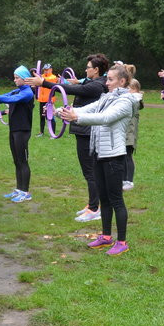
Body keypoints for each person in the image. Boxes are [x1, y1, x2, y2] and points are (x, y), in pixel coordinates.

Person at [60, 64, 134, 256]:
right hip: (99, 154)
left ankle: (122, 241)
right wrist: (61, 110)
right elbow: (86, 109)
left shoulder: (126, 101)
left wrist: (75, 117)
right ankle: (106, 237)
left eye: (110, 79)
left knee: (116, 200)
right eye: (107, 79)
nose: (106, 82)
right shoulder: (106, 98)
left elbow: (105, 118)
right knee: (104, 199)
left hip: (114, 157)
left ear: (122, 81)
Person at [26, 53, 109, 222]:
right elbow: (77, 105)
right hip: (83, 130)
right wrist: (55, 111)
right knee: (89, 171)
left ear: (96, 70)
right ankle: (92, 204)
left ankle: (95, 208)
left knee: (90, 171)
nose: (85, 70)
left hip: (88, 132)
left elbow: (71, 89)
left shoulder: (97, 85)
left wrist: (43, 83)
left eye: (88, 67)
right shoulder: (92, 83)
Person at [0, 66, 35, 202]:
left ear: (25, 79)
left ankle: (26, 192)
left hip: (22, 130)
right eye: (14, 77)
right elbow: (3, 98)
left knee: (23, 161)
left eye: (17, 78)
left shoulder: (27, 93)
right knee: (16, 161)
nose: (14, 80)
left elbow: (10, 100)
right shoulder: (17, 91)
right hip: (14, 129)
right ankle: (19, 189)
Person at [124, 78, 143, 191]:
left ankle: (129, 181)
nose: (126, 91)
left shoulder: (135, 100)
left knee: (128, 157)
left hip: (130, 133)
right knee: (123, 157)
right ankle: (123, 179)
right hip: (124, 132)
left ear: (135, 90)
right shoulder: (131, 99)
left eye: (128, 88)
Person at [36, 64, 59, 137]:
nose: (45, 71)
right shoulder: (41, 76)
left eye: (47, 69)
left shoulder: (53, 77)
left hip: (49, 100)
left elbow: (46, 81)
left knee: (50, 117)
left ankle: (53, 134)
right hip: (42, 100)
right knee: (42, 117)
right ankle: (41, 132)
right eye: (44, 70)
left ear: (51, 69)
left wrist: (39, 79)